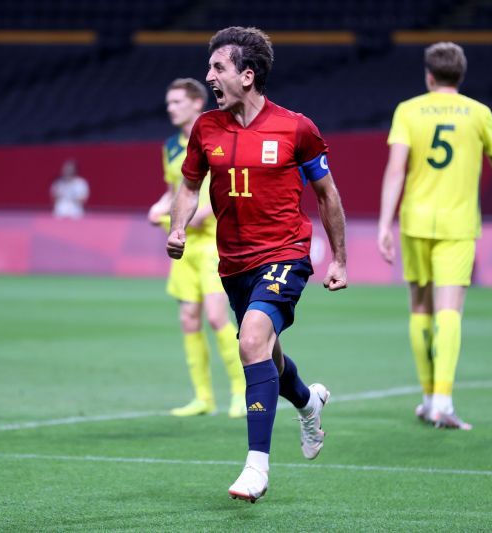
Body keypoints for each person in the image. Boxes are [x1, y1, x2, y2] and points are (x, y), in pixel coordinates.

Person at [167, 27, 348, 503]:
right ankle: (308, 403)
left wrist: (340, 259)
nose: (209, 76)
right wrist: (178, 225)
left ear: (247, 76)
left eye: (217, 68)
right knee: (266, 351)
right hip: (234, 263)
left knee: (250, 339)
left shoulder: (296, 128)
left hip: (286, 252)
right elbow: (189, 185)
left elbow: (327, 194)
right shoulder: (206, 129)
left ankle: (256, 467)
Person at [377, 42, 492, 430]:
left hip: (414, 221)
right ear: (460, 75)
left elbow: (396, 170)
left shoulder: (408, 110)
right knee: (449, 311)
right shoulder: (480, 113)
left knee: (420, 310)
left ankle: (428, 399)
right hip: (458, 225)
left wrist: (383, 224)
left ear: (429, 75)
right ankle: (443, 401)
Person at [148, 78, 246, 419]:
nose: (170, 108)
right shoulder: (172, 146)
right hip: (184, 242)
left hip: (216, 242)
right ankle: (203, 397)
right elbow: (175, 188)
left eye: (176, 102)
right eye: (169, 103)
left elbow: (231, 186)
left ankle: (241, 392)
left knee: (218, 316)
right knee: (189, 318)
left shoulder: (218, 134)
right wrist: (159, 207)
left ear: (195, 103)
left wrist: (202, 214)